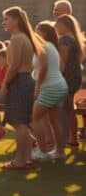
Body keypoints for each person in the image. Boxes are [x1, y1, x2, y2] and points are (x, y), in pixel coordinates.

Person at [0, 6, 40, 171]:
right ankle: (27, 157)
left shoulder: (17, 38)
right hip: (27, 80)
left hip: (20, 81)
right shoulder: (25, 37)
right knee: (22, 122)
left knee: (19, 122)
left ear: (16, 20)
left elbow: (14, 65)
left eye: (6, 19)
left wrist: (4, 84)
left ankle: (20, 161)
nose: (4, 22)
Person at [29, 22, 68, 162]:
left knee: (35, 119)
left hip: (50, 87)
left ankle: (43, 152)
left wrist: (38, 85)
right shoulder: (52, 46)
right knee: (54, 120)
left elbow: (44, 67)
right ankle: (59, 152)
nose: (33, 33)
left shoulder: (43, 46)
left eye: (36, 30)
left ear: (44, 33)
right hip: (59, 85)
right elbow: (61, 67)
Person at [55, 14, 84, 148]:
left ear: (64, 25)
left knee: (67, 109)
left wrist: (56, 77)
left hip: (67, 77)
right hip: (75, 76)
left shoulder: (65, 39)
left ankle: (71, 138)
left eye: (57, 24)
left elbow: (63, 61)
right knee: (69, 108)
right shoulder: (75, 38)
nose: (55, 27)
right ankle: (71, 137)